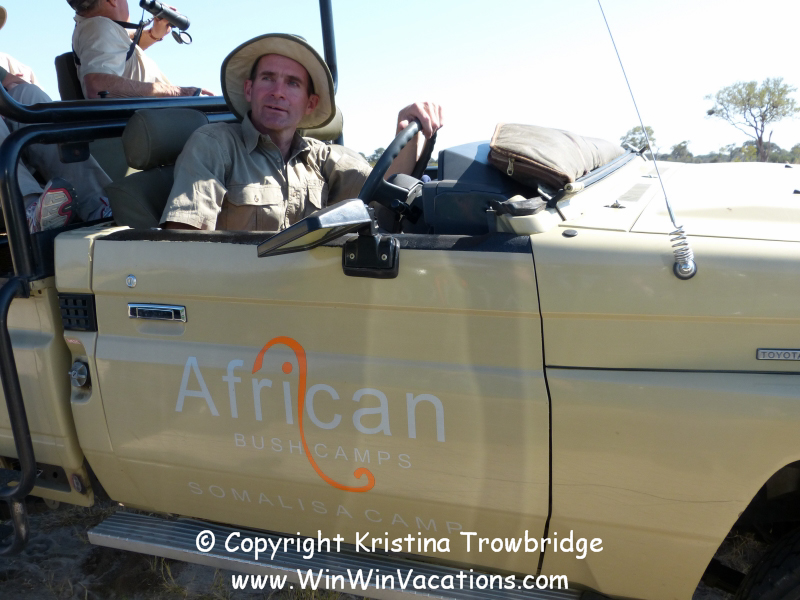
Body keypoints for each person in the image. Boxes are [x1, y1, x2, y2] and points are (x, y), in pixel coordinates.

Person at [160, 34, 442, 231]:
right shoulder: (215, 146)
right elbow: (184, 244)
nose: (278, 92)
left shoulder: (322, 158)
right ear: (249, 89)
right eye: (268, 78)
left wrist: (408, 126)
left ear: (310, 103)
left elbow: (388, 189)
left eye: (293, 83)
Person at [0, 5, 112, 231]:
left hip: (17, 153)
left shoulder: (7, 62)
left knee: (28, 94)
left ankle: (98, 204)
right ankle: (28, 211)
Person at [67, 0, 212, 98]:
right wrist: (179, 92)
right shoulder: (99, 27)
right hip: (150, 124)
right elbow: (98, 87)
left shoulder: (98, 29)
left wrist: (154, 34)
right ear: (111, 1)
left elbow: (122, 51)